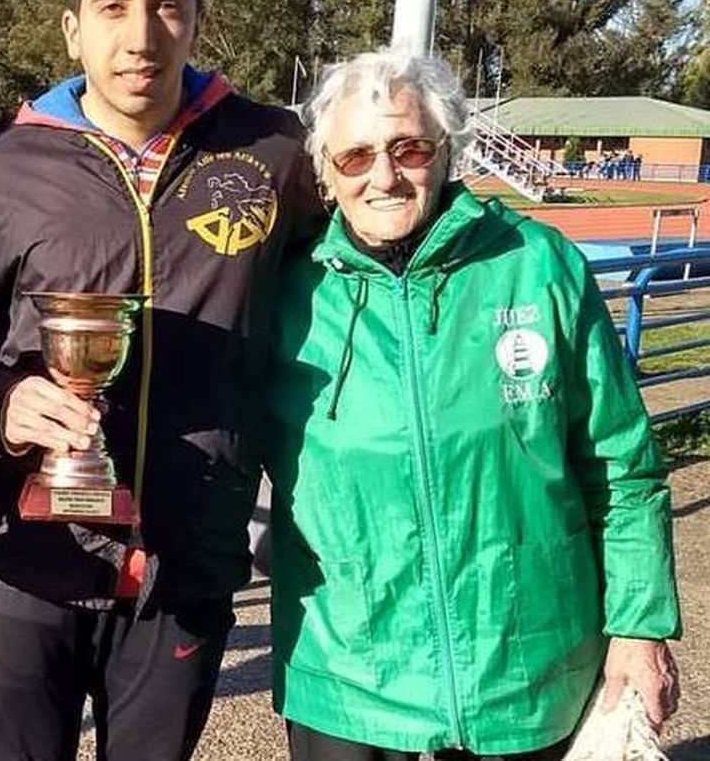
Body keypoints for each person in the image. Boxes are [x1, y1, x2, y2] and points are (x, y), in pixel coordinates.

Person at [0, 0, 324, 761]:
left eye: (167, 5)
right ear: (73, 26)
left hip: (190, 554)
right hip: (33, 554)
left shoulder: (276, 153)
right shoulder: (1, 167)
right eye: (112, 6)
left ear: (198, 17)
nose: (142, 35)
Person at [261, 49, 681, 761]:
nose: (385, 175)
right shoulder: (285, 293)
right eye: (356, 156)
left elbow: (622, 465)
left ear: (447, 148)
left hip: (524, 671)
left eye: (409, 147)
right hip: (348, 673)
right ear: (326, 173)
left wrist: (640, 627)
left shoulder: (538, 265)